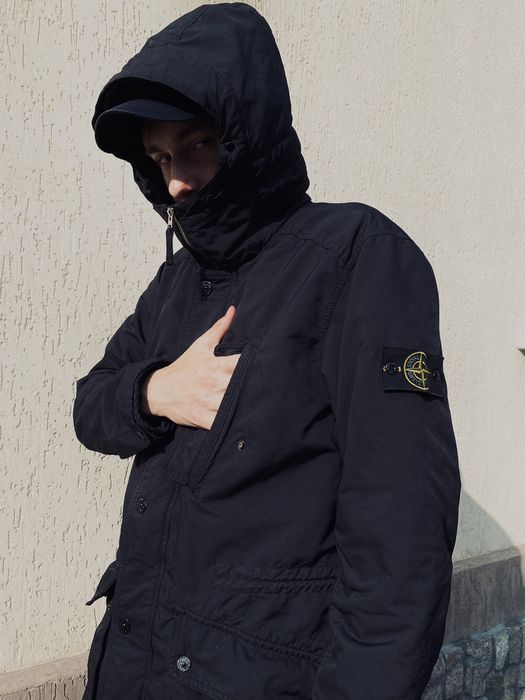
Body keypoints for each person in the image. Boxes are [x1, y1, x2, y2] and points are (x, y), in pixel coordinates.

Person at [73, 3, 462, 699]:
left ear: (248, 135)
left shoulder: (354, 259)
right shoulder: (175, 283)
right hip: (137, 664)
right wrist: (154, 392)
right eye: (159, 159)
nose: (176, 181)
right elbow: (91, 405)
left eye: (196, 145)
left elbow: (399, 534)